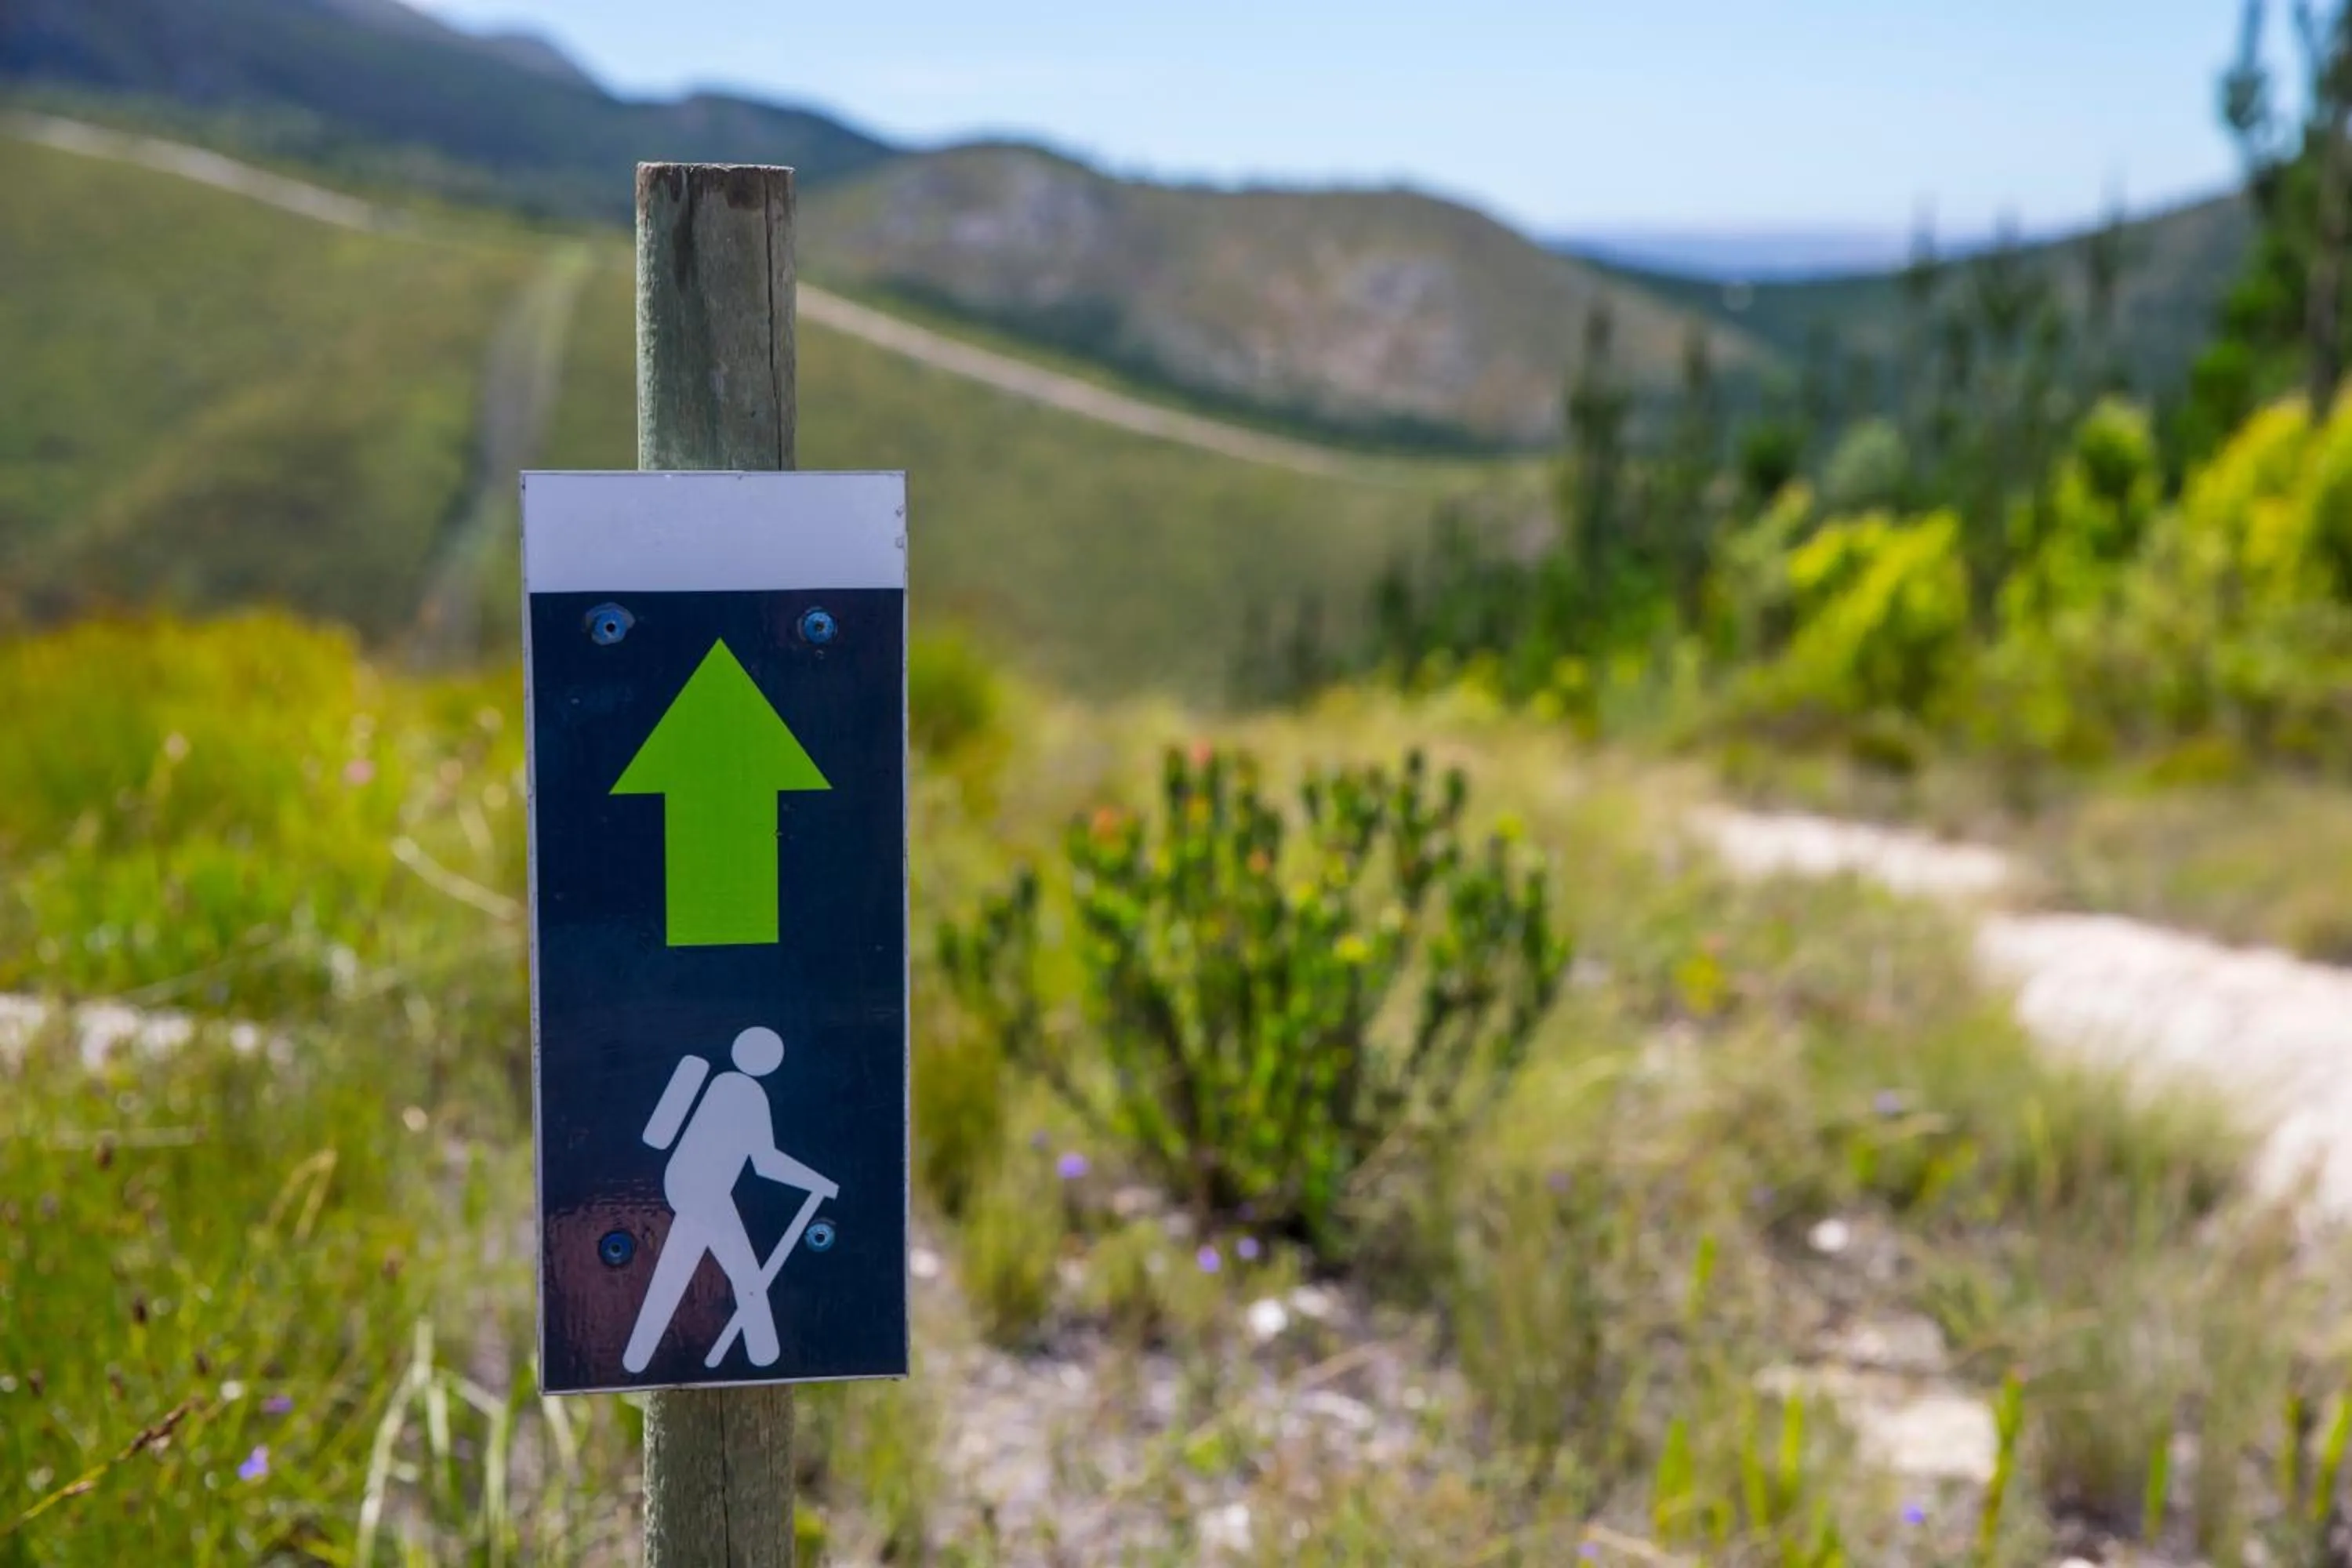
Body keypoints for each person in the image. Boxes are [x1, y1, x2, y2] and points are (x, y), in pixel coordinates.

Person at [622, 1026, 837, 1374]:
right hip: (706, 1193)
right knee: (744, 1274)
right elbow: (765, 1162)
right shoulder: (748, 1094)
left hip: (686, 1186)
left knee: (678, 1271)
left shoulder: (720, 1083)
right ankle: (765, 1358)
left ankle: (636, 1358)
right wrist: (816, 1181)